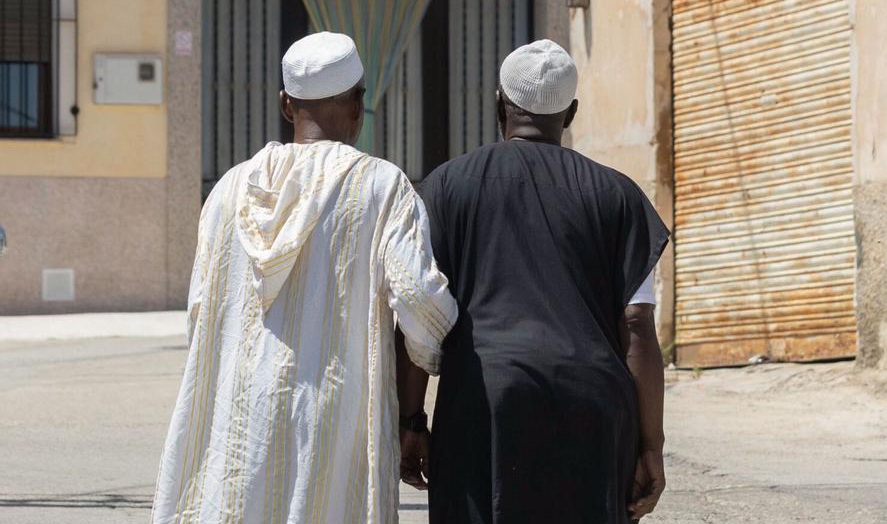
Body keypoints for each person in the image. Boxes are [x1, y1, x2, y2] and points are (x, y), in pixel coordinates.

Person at [151, 32, 457, 524]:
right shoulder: (382, 186)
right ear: (359, 105)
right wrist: (415, 409)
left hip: (239, 421)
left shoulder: (230, 189)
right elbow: (421, 303)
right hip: (334, 425)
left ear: (285, 105)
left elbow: (201, 308)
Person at [400, 39, 669, 523]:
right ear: (570, 113)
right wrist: (651, 445)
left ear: (499, 103)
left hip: (484, 403)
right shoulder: (618, 196)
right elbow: (638, 327)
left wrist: (412, 419)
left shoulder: (446, 186)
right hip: (594, 406)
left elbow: (421, 309)